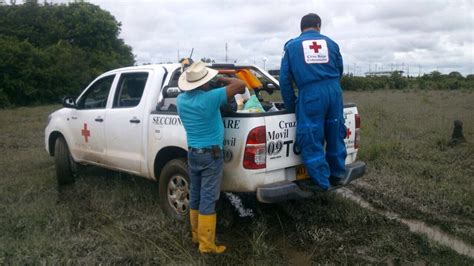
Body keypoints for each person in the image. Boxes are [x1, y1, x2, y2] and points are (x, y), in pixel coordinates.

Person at [177, 61, 245, 254]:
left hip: (193, 153)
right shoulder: (210, 99)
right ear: (205, 82)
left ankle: (196, 235)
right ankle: (207, 246)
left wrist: (209, 81)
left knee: (196, 194)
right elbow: (240, 86)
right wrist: (220, 78)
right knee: (208, 198)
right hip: (211, 155)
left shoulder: (181, 100)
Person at [279, 13, 347, 191]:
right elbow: (340, 70)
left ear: (301, 27)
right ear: (318, 26)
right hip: (334, 91)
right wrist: (331, 87)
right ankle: (337, 174)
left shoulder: (292, 47)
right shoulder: (332, 44)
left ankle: (321, 181)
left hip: (310, 94)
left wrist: (292, 106)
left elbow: (285, 81)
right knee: (335, 130)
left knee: (310, 135)